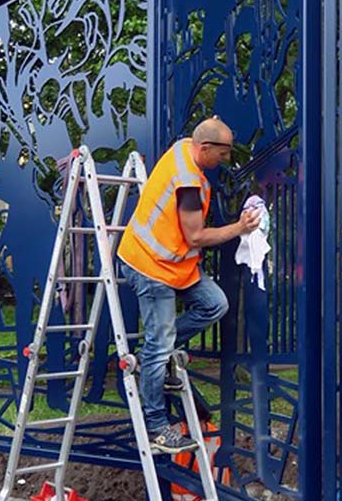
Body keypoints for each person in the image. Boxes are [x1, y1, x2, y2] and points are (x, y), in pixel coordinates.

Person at [117, 117, 261, 454]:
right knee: (158, 342)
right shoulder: (187, 183)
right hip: (150, 264)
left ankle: (160, 354)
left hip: (174, 263)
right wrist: (240, 227)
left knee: (215, 304)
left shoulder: (184, 147)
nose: (225, 160)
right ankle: (156, 426)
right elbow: (196, 235)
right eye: (223, 154)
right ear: (205, 148)